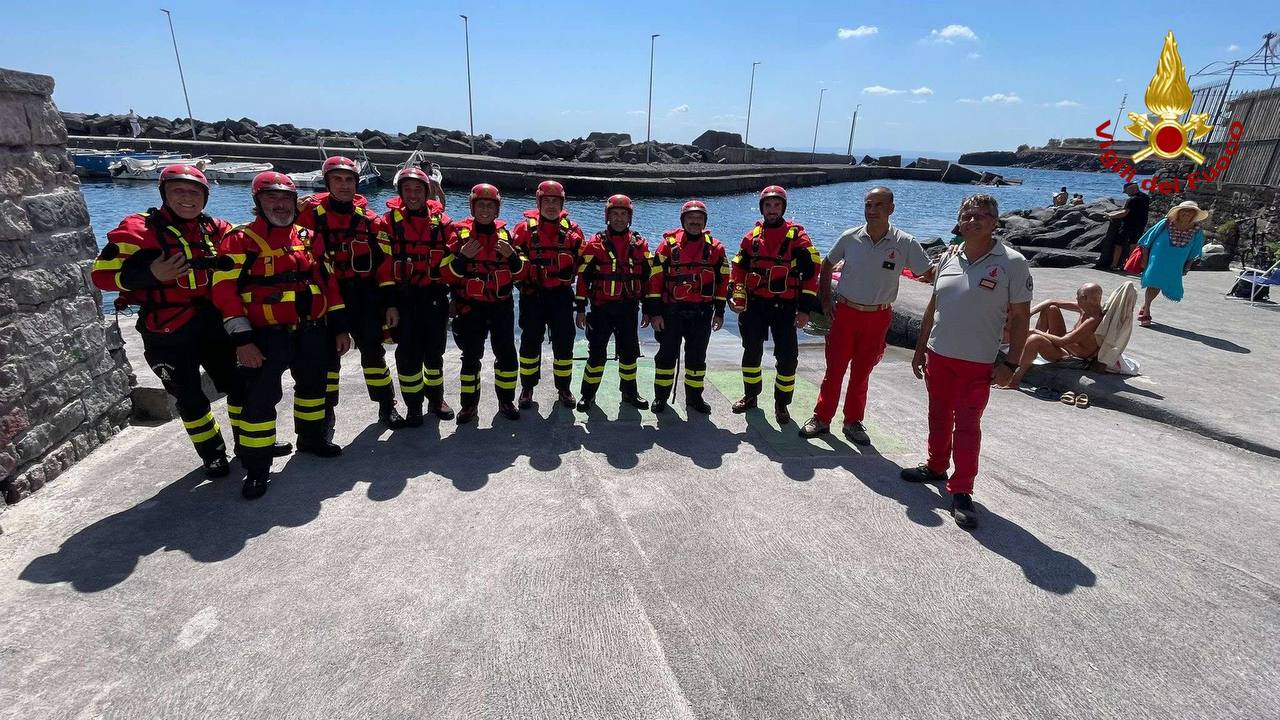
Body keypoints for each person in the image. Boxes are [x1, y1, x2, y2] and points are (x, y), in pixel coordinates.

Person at [91, 164, 259, 479]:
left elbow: (249, 236)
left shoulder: (214, 228)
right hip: (166, 329)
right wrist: (152, 274)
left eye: (194, 192)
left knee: (240, 386)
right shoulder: (139, 230)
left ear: (205, 197)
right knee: (190, 399)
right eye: (178, 191)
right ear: (164, 194)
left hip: (212, 324)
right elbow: (101, 275)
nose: (186, 198)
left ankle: (247, 445)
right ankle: (213, 455)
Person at [212, 172, 350, 499]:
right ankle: (257, 469)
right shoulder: (239, 240)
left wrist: (340, 326)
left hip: (311, 331)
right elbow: (224, 292)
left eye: (286, 198)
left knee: (313, 390)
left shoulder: (308, 236)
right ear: (258, 202)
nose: (280, 204)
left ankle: (311, 438)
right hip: (263, 336)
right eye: (272, 198)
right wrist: (242, 340)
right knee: (260, 401)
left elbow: (329, 283)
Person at [902, 193, 1033, 529]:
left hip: (978, 362)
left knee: (968, 426)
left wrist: (1011, 363)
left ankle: (961, 490)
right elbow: (934, 307)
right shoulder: (948, 256)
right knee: (938, 415)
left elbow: (1020, 317)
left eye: (982, 215)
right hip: (939, 355)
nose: (973, 220)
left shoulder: (1012, 263)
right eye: (967, 215)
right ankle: (935, 465)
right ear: (959, 221)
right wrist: (920, 350)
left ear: (995, 222)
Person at [800, 187, 930, 444]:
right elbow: (827, 264)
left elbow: (928, 272)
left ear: (891, 208)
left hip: (878, 317)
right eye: (868, 205)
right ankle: (822, 418)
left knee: (862, 373)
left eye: (878, 205)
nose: (872, 210)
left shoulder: (905, 243)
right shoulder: (850, 237)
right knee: (834, 370)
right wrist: (826, 299)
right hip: (845, 313)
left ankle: (853, 422)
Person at [296, 156, 403, 429]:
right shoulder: (308, 216)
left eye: (348, 180)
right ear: (327, 182)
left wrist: (390, 304)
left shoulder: (370, 221)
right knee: (328, 359)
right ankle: (327, 413)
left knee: (373, 353)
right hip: (324, 298)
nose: (344, 186)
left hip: (363, 296)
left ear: (356, 183)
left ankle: (386, 405)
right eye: (337, 180)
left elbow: (385, 265)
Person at [728, 186, 822, 424]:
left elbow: (812, 274)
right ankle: (750, 396)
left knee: (788, 358)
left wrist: (805, 310)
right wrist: (735, 294)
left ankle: (782, 404)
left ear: (783, 208)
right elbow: (738, 268)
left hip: (785, 307)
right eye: (768, 205)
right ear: (762, 208)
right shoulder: (751, 238)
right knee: (751, 353)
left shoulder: (799, 238)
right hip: (754, 306)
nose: (772, 210)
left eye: (776, 205)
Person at [440, 183, 528, 423]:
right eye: (481, 205)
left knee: (507, 356)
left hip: (501, 307)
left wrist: (511, 256)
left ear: (497, 210)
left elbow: (521, 272)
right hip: (471, 307)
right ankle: (469, 405)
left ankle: (506, 400)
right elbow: (444, 274)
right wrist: (461, 259)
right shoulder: (459, 236)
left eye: (490, 206)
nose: (485, 210)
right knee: (470, 357)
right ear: (473, 207)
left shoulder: (506, 236)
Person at [383, 166, 455, 425]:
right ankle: (413, 406)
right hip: (403, 298)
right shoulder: (387, 223)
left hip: (435, 296)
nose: (413, 195)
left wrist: (455, 299)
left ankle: (436, 399)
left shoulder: (444, 224)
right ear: (400, 192)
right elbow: (382, 268)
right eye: (407, 190)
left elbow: (454, 264)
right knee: (408, 354)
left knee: (434, 353)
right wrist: (389, 304)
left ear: (427, 192)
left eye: (418, 189)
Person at [645, 200, 730, 414]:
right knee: (666, 356)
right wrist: (655, 313)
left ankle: (694, 398)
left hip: (701, 313)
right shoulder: (666, 246)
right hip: (671, 312)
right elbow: (654, 281)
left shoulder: (717, 249)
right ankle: (660, 398)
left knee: (697, 359)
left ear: (704, 222)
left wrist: (719, 312)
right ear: (683, 221)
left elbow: (722, 283)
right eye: (690, 218)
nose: (694, 222)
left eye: (699, 218)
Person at [574, 194, 652, 411]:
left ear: (629, 218)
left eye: (623, 214)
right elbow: (583, 279)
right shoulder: (594, 244)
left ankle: (629, 393)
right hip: (601, 309)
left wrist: (648, 309)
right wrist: (580, 309)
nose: (619, 218)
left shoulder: (640, 244)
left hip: (628, 308)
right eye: (615, 214)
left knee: (629, 353)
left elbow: (647, 279)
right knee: (596, 353)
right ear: (607, 217)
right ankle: (587, 395)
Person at [512, 180, 585, 409]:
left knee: (564, 344)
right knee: (530, 343)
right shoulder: (523, 230)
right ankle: (527, 387)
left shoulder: (574, 231)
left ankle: (563, 388)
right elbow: (513, 265)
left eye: (556, 201)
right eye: (547, 201)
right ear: (538, 201)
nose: (551, 206)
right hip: (532, 297)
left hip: (561, 297)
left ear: (562, 203)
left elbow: (583, 266)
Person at [1005, 283, 1103, 389]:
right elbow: (1050, 301)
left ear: (1084, 298)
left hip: (1075, 358)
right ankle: (1029, 348)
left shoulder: (1093, 319)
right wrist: (1028, 315)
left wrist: (1035, 331)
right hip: (1067, 346)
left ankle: (1014, 381)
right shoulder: (1086, 307)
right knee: (1050, 308)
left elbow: (1063, 341)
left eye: (1078, 298)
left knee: (1035, 339)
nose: (1076, 300)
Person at [1136, 200, 1207, 326]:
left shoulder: (1197, 231)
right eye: (1184, 210)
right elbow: (1147, 240)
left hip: (1176, 263)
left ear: (1194, 215)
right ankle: (1146, 310)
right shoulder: (1166, 223)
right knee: (1153, 282)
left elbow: (1195, 251)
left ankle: (1145, 305)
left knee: (1160, 284)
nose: (1186, 213)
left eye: (1190, 212)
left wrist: (1188, 266)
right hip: (1157, 259)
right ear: (1178, 212)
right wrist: (1144, 260)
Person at [1095, 181, 1150, 270]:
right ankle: (1129, 265)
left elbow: (1125, 212)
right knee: (1133, 245)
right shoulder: (1145, 197)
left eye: (1126, 191)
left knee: (1118, 244)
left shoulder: (1132, 199)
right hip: (1140, 225)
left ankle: (1114, 264)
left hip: (1128, 225)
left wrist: (1111, 215)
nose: (1127, 194)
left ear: (1131, 189)